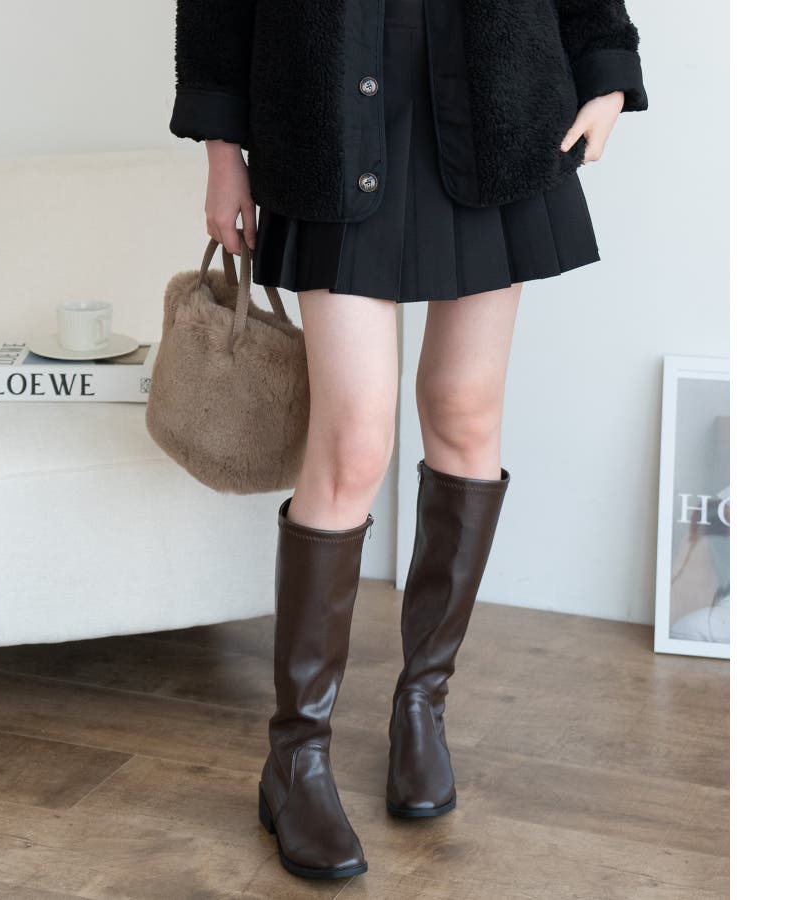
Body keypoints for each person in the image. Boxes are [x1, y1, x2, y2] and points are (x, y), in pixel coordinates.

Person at [171, 0, 648, 880]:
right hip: (328, 116)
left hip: (492, 101)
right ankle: (296, 758)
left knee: (465, 412)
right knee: (353, 439)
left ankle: (423, 706)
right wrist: (222, 149)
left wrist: (607, 71)